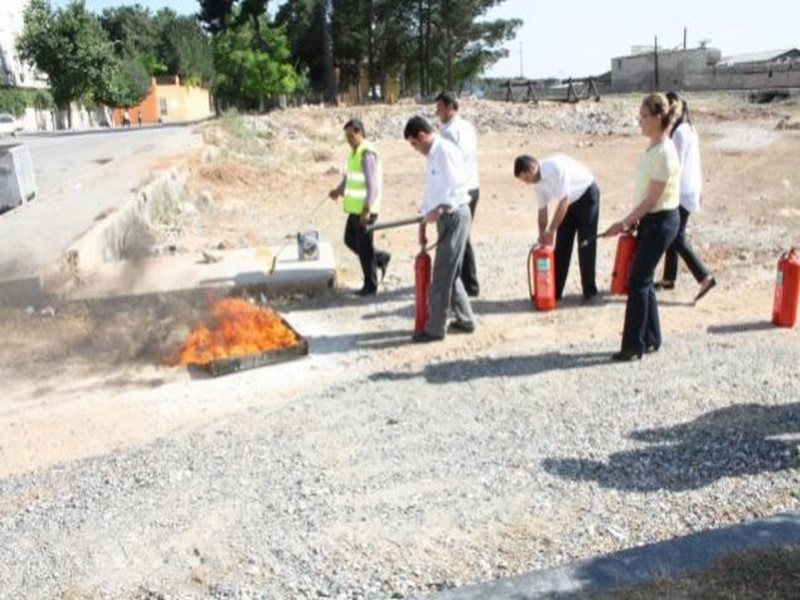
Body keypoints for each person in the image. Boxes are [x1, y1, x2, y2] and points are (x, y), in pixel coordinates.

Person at [605, 93, 681, 361]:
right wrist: (633, 220)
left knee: (638, 280)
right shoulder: (654, 147)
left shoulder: (665, 153)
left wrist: (625, 222)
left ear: (658, 118)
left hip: (661, 221)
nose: (639, 121)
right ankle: (651, 338)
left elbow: (652, 199)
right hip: (651, 220)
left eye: (643, 116)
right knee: (643, 279)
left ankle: (633, 345)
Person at [403, 115, 474, 343]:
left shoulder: (444, 151)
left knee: (442, 276)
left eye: (414, 144)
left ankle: (434, 329)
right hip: (445, 216)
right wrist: (425, 213)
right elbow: (434, 189)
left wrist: (440, 210)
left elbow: (456, 187)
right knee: (450, 274)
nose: (415, 149)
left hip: (454, 215)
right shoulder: (433, 155)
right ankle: (466, 319)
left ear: (422, 136)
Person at [514, 154, 600, 303]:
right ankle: (555, 292)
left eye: (526, 179)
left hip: (587, 196)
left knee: (586, 244)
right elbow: (542, 210)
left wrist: (551, 230)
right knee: (562, 245)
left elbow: (564, 201)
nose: (527, 183)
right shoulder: (537, 183)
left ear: (533, 168)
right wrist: (542, 233)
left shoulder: (557, 167)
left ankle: (590, 291)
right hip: (569, 203)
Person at [655, 92, 716, 302]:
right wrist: (699, 189)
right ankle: (669, 278)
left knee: (676, 235)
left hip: (681, 191)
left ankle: (704, 276)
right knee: (675, 233)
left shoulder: (680, 132)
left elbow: (676, 165)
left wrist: (663, 190)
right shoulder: (690, 129)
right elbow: (694, 163)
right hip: (690, 188)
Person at [328, 118, 391, 296]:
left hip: (365, 210)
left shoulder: (366, 153)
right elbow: (350, 177)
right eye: (346, 136)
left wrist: (367, 210)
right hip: (355, 209)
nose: (348, 139)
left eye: (351, 135)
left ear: (360, 133)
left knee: (364, 249)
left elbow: (372, 185)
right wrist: (338, 191)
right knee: (349, 239)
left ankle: (370, 286)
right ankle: (380, 258)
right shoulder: (354, 153)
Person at [435, 91, 481, 297]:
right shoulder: (468, 127)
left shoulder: (449, 133)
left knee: (458, 237)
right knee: (464, 235)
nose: (438, 112)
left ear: (450, 107)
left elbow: (449, 166)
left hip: (460, 189)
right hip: (473, 186)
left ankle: (466, 284)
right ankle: (467, 282)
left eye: (440, 108)